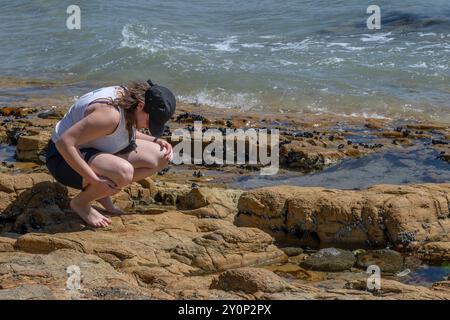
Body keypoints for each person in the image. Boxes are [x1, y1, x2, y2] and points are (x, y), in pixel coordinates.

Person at [45, 80, 176, 228]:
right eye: (150, 121)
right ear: (140, 105)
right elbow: (64, 143)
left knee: (163, 155)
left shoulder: (130, 100)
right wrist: (94, 180)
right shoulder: (109, 115)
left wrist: (155, 140)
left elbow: (122, 130)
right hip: (62, 158)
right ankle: (80, 203)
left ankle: (100, 194)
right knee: (124, 172)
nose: (148, 126)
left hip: (91, 147)